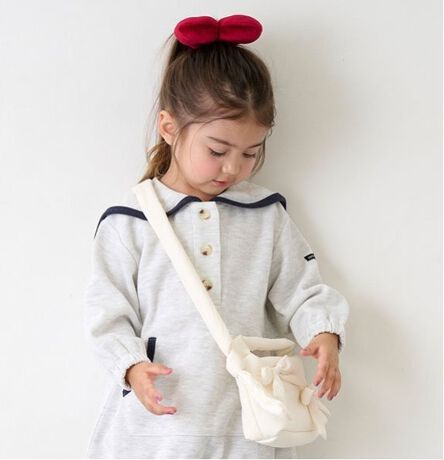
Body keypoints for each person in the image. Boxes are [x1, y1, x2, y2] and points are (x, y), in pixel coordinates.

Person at [83, 14, 349, 459]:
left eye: (250, 153)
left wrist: (323, 333)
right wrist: (130, 367)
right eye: (217, 150)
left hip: (245, 425)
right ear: (169, 127)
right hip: (157, 428)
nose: (232, 168)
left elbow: (302, 290)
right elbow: (106, 313)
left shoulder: (265, 215)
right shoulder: (129, 221)